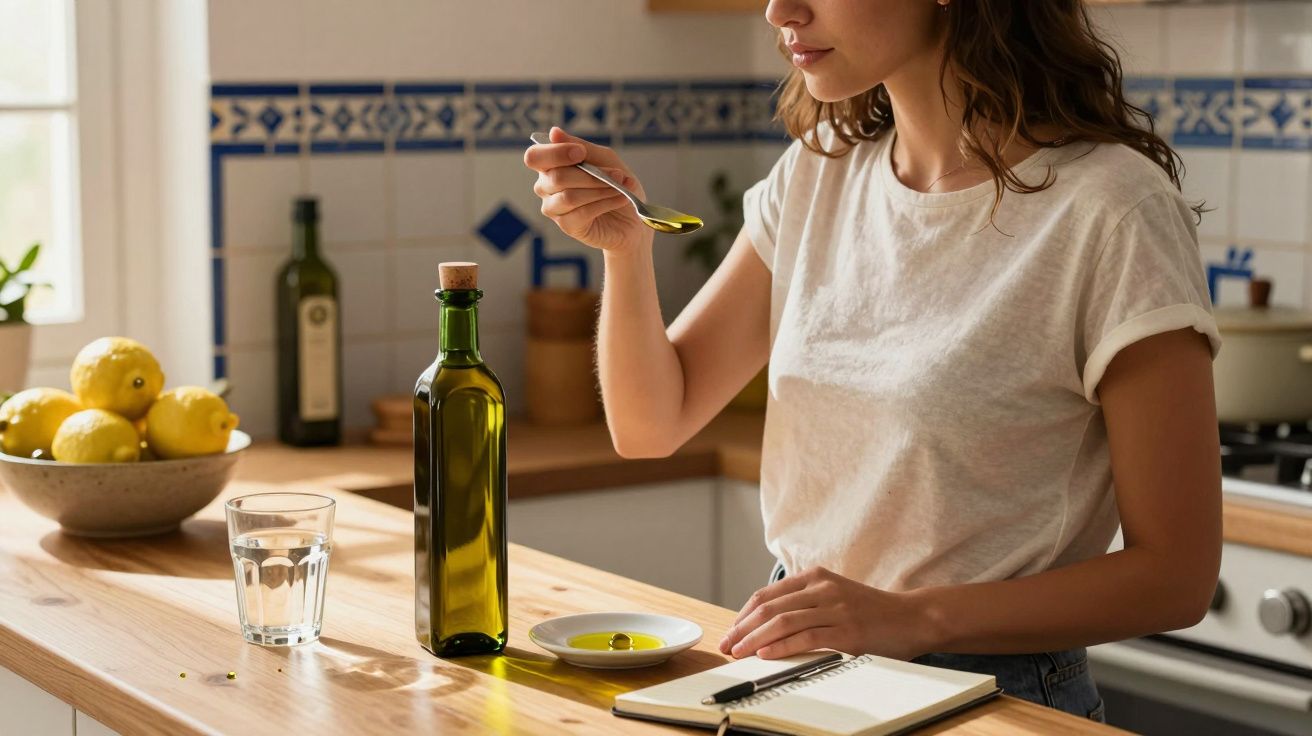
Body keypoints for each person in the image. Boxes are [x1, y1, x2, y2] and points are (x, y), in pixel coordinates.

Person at [524, 0, 1221, 722]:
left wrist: (914, 617)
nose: (778, 10)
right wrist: (625, 250)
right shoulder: (819, 173)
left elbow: (1177, 577)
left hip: (994, 699)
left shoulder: (1112, 209)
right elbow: (649, 425)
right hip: (796, 673)